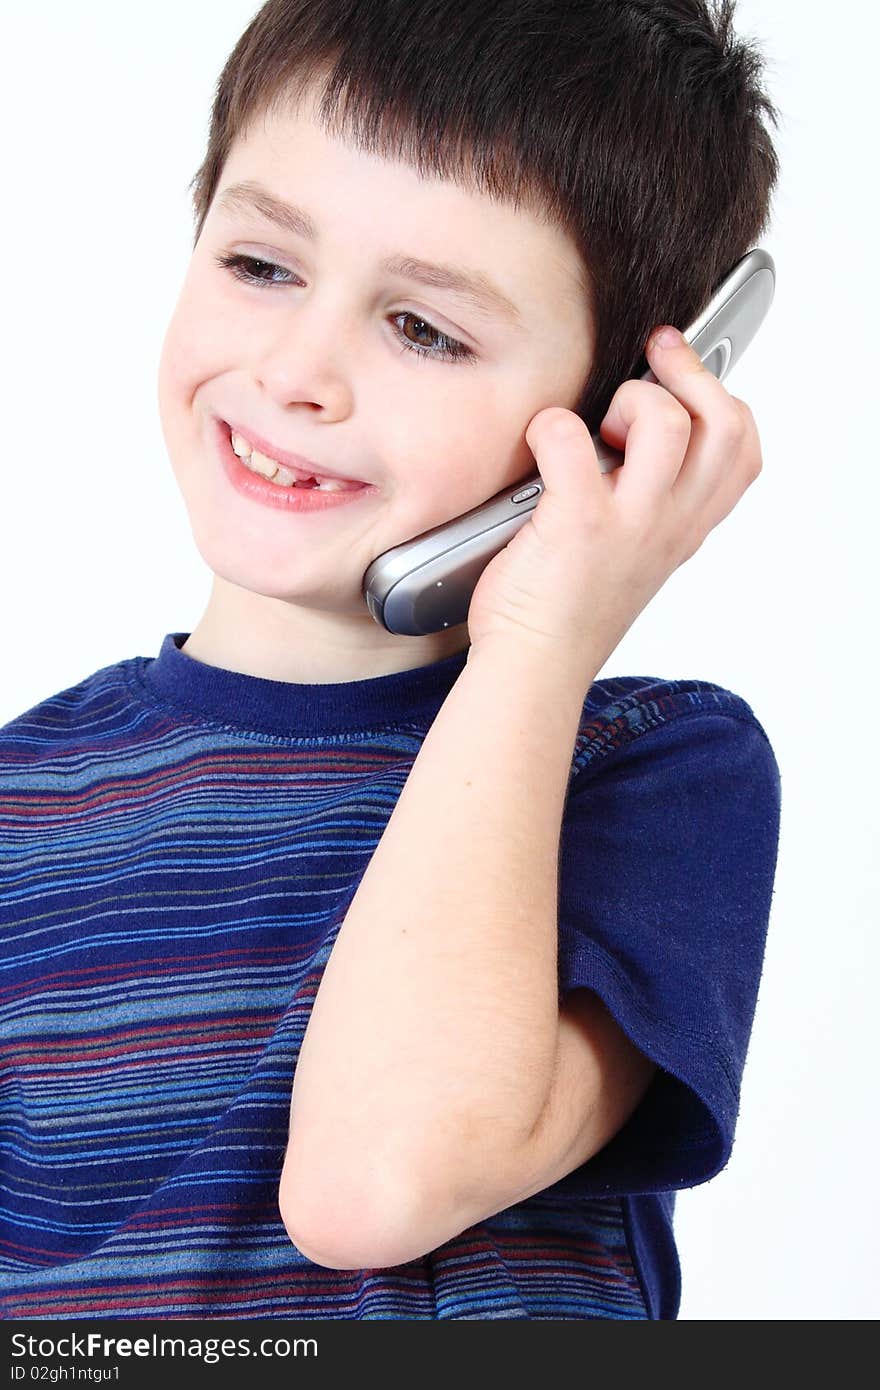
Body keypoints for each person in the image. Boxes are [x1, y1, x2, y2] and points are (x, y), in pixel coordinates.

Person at [0, 0, 782, 1319]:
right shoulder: (23, 801)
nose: (299, 369)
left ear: (612, 422)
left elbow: (375, 1180)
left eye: (423, 328)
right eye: (261, 264)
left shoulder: (652, 774)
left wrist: (541, 638)